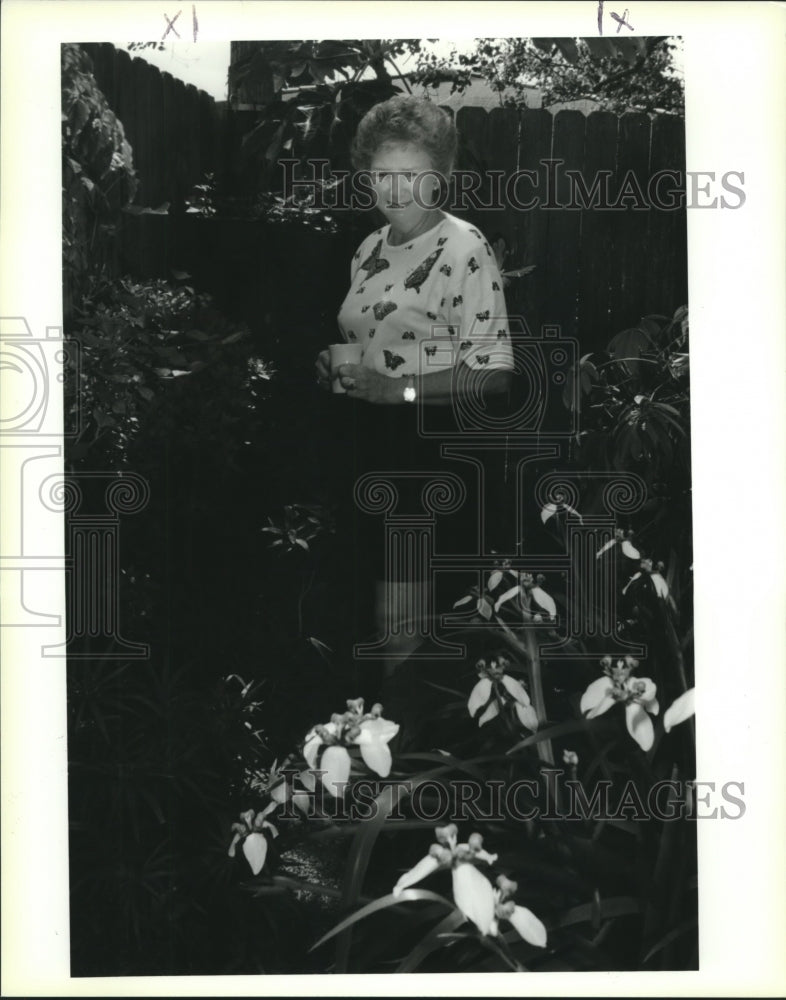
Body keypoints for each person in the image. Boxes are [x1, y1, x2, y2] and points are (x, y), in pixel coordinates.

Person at [315, 95, 515, 677]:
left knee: (402, 620)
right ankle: (365, 740)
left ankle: (402, 758)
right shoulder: (368, 249)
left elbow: (495, 374)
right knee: (366, 606)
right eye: (382, 175)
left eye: (411, 175)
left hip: (425, 450)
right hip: (361, 441)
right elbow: (375, 342)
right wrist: (334, 367)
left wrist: (394, 391)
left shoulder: (463, 248)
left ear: (441, 177)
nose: (395, 191)